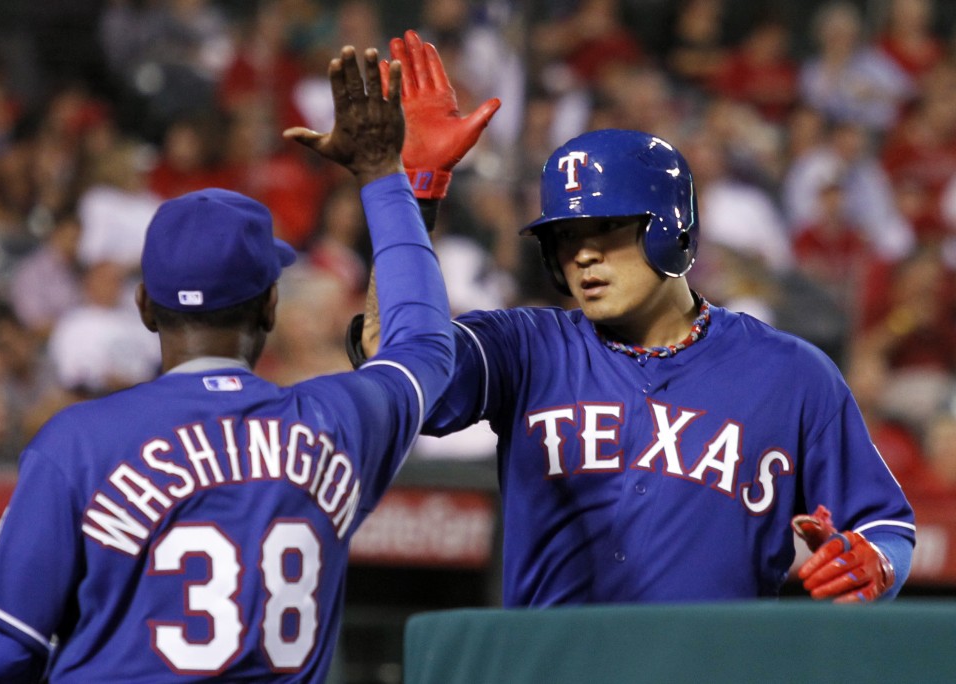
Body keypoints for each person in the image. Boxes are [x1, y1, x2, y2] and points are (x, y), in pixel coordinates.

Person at [352, 30, 915, 605]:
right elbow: (392, 355)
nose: (583, 254)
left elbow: (884, 527)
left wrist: (875, 564)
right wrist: (412, 193)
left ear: (673, 232)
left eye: (606, 230)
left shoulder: (792, 374)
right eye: (565, 238)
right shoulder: (524, 348)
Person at [0, 44, 454, 683]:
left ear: (144, 305)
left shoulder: (77, 442)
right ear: (270, 307)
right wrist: (388, 175)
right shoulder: (334, 424)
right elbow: (424, 348)